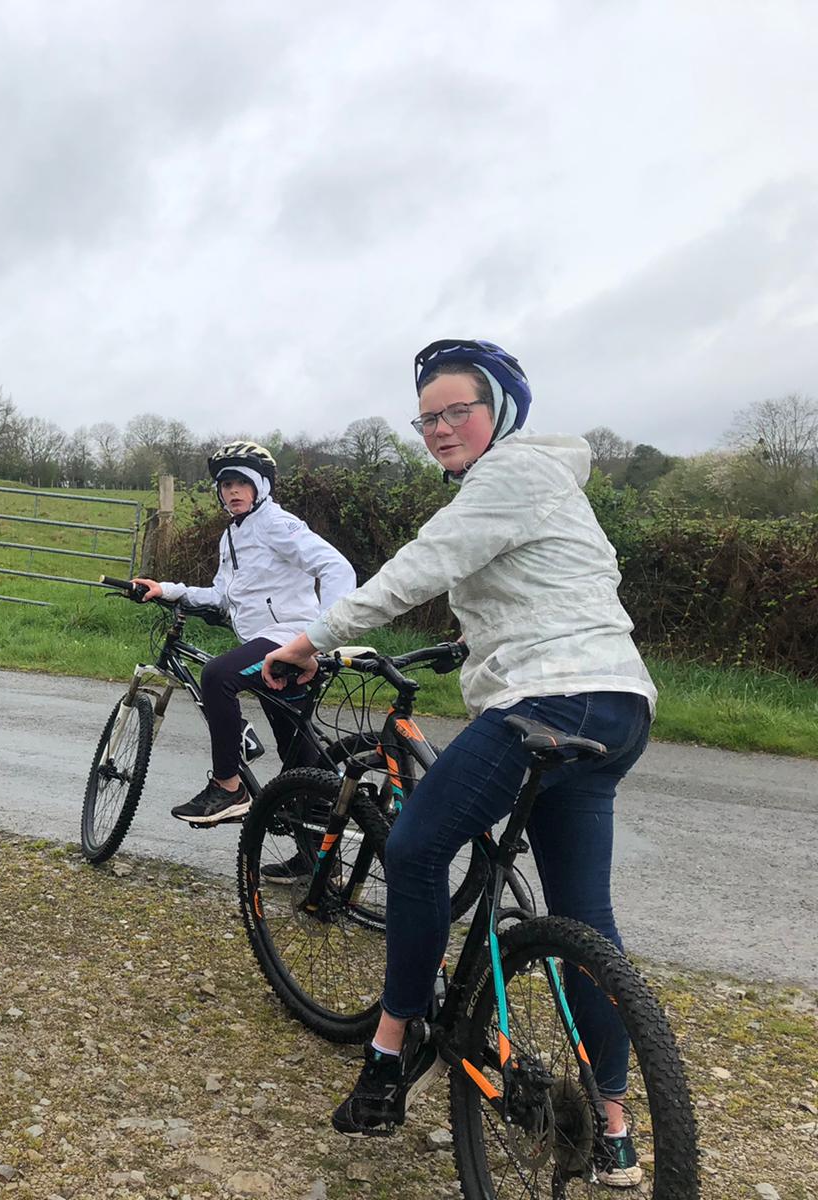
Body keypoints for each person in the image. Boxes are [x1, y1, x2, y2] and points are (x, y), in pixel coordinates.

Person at [262, 341, 654, 1187]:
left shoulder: (509, 474)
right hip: (618, 705)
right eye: (428, 417)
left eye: (457, 411)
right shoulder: (548, 486)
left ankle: (389, 1053)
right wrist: (467, 644)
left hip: (548, 700)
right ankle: (615, 1127)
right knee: (585, 918)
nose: (440, 428)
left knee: (413, 851)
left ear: (501, 410)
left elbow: (421, 568)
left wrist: (309, 642)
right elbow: (541, 593)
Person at [131, 440, 355, 828]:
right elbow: (221, 595)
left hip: (289, 639)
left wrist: (321, 639)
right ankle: (317, 858)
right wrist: (165, 590)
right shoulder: (232, 536)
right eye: (225, 485)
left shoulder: (277, 524)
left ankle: (229, 787)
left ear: (261, 487)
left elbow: (338, 569)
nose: (232, 491)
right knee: (297, 754)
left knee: (217, 676)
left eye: (241, 483)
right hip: (266, 647)